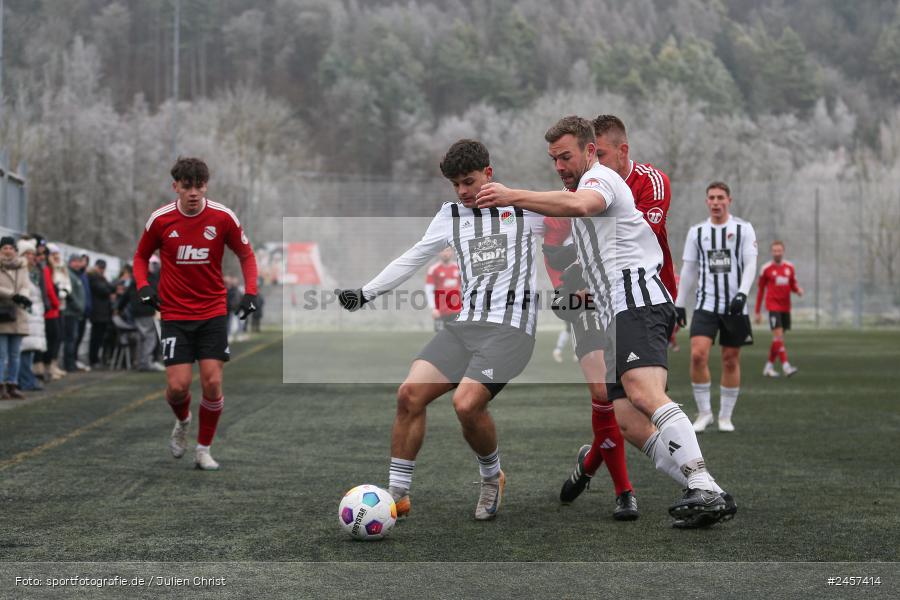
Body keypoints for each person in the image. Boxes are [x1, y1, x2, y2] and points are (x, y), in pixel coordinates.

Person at [476, 116, 733, 528]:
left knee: (643, 392)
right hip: (615, 309)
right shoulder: (573, 189)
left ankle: (700, 481)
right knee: (629, 420)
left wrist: (511, 194)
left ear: (590, 151)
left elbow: (582, 206)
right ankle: (709, 491)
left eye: (566, 156)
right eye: (553, 158)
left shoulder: (602, 179)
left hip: (638, 298)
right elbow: (553, 223)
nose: (559, 165)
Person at [338, 139, 545, 521]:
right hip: (464, 326)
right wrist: (365, 293)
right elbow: (412, 257)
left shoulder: (525, 209)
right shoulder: (450, 216)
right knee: (408, 396)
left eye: (469, 181)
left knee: (466, 404)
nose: (463, 191)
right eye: (456, 185)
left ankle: (490, 477)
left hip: (510, 330)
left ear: (489, 173)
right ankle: (396, 495)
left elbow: (579, 222)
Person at [133, 157, 258, 471]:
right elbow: (140, 256)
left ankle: (204, 449)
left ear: (206, 186)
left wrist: (251, 291)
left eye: (199, 186)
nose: (193, 192)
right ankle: (183, 420)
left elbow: (246, 254)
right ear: (175, 186)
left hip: (213, 311)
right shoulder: (160, 220)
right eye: (186, 186)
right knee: (178, 387)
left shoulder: (222, 217)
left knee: (213, 383)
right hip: (174, 313)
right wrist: (143, 285)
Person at [542, 216, 639, 520]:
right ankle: (625, 493)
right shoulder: (557, 223)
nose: (562, 167)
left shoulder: (619, 203)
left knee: (637, 402)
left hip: (628, 306)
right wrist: (582, 296)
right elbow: (561, 303)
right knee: (603, 393)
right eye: (558, 163)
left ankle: (588, 465)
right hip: (588, 314)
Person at [674, 181, 758, 433]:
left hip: (734, 306)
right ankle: (704, 413)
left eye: (720, 197)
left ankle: (725, 416)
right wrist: (679, 303)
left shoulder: (744, 229)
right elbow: (688, 270)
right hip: (705, 304)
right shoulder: (697, 232)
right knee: (698, 355)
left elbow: (751, 263)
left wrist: (742, 294)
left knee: (730, 360)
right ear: (706, 201)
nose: (716, 202)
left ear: (729, 200)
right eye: (711, 197)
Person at [755, 241, 803, 377]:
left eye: (779, 250)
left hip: (785, 307)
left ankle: (768, 367)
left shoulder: (789, 267)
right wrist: (757, 312)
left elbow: (793, 285)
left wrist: (798, 290)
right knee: (778, 336)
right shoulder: (766, 268)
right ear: (772, 252)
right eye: (775, 251)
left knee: (777, 340)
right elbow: (760, 291)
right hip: (773, 307)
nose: (777, 253)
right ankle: (786, 366)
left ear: (783, 251)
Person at [0, 236, 32, 399]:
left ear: (15, 250)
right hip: (2, 313)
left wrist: (24, 296)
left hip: (18, 313)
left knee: (15, 354)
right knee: (1, 353)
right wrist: (13, 295)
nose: (8, 251)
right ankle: (1, 387)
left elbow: (26, 285)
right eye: (4, 248)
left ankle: (13, 384)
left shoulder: (22, 265)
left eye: (10, 248)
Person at [118, 256, 163, 371]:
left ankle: (140, 361)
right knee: (149, 338)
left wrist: (118, 308)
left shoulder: (135, 279)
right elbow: (156, 294)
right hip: (146, 311)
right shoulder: (151, 279)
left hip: (137, 312)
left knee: (142, 337)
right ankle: (145, 362)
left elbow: (126, 296)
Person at [17, 238, 46, 392]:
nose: (30, 256)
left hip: (34, 317)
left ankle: (27, 378)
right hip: (26, 315)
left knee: (29, 350)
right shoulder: (19, 271)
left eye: (31, 253)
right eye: (27, 253)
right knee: (23, 350)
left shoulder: (33, 271)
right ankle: (24, 380)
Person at [39, 244, 64, 381]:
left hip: (53, 309)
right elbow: (49, 289)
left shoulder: (51, 269)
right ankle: (47, 367)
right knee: (52, 338)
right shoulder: (46, 270)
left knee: (56, 337)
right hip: (50, 310)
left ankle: (51, 366)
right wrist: (56, 303)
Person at [425, 246, 462, 331]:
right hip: (440, 311)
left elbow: (464, 288)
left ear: (452, 252)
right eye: (443, 251)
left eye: (448, 251)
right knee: (439, 337)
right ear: (439, 253)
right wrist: (433, 308)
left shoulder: (459, 268)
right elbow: (429, 290)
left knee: (457, 336)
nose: (445, 254)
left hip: (457, 310)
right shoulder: (433, 269)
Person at [61, 254, 86, 373]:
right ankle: (68, 364)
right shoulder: (70, 275)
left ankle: (71, 362)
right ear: (70, 262)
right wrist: (78, 306)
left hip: (76, 313)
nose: (77, 264)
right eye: (75, 261)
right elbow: (70, 295)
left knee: (73, 339)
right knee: (70, 339)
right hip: (70, 312)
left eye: (79, 261)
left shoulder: (77, 275)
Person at [87, 259, 114, 368]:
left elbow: (110, 288)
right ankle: (93, 359)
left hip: (102, 312)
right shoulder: (92, 276)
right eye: (101, 268)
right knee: (95, 337)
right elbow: (103, 290)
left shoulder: (101, 277)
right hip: (97, 312)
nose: (102, 270)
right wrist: (108, 289)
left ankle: (96, 359)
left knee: (99, 337)